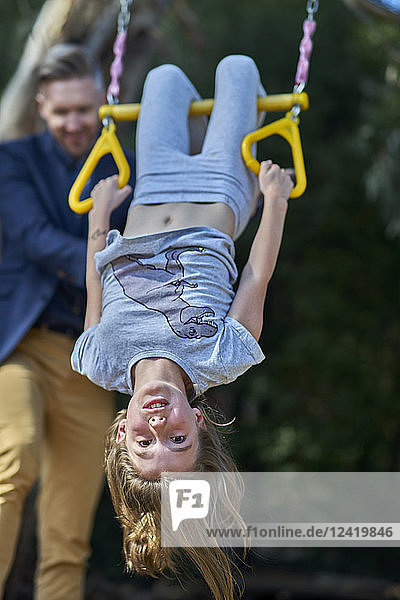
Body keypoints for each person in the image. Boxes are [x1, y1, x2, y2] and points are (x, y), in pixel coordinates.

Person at [71, 55, 292, 600]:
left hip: (151, 189)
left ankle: (191, 117)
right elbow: (257, 276)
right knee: (238, 69)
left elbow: (96, 280)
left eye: (146, 443)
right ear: (198, 421)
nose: (158, 423)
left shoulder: (98, 362)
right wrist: (276, 201)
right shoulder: (221, 356)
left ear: (121, 431)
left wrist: (100, 217)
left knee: (164, 78)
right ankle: (216, 122)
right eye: (177, 439)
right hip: (221, 189)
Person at [0, 44, 133, 600]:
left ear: (103, 101)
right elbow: (34, 240)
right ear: (42, 107)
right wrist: (103, 255)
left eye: (85, 108)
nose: (75, 123)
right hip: (22, 347)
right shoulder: (14, 161)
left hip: (89, 359)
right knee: (13, 464)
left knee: (69, 531)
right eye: (63, 111)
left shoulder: (125, 165)